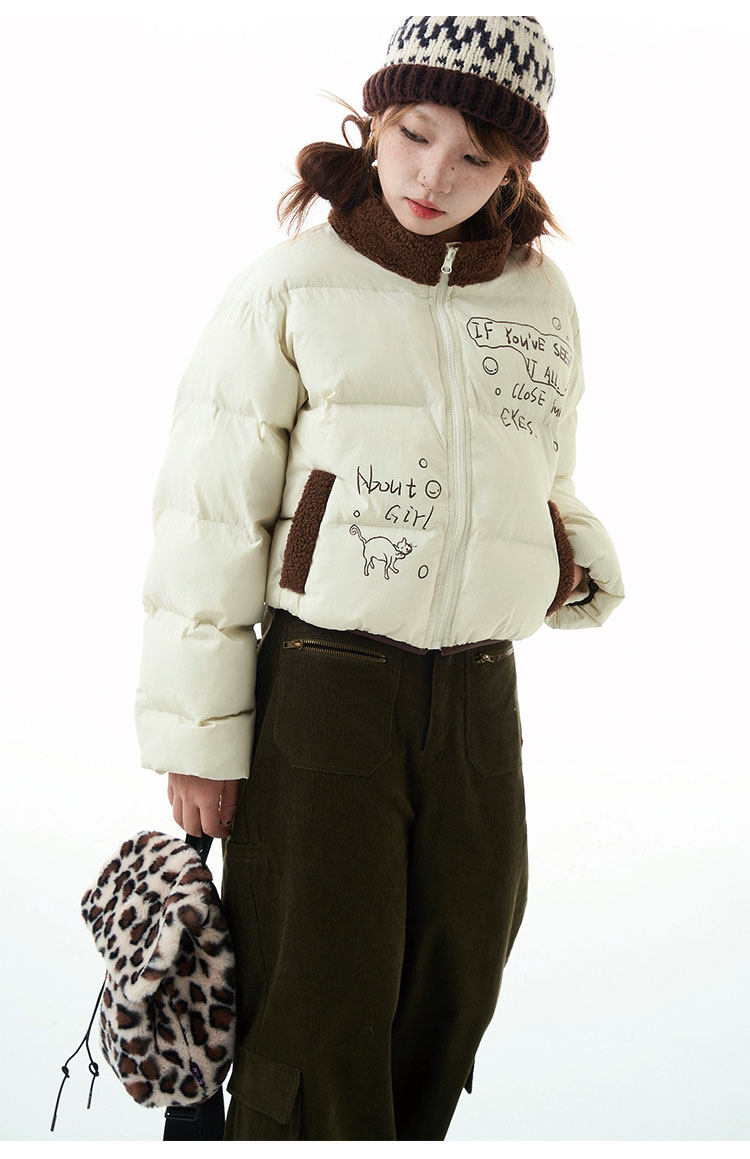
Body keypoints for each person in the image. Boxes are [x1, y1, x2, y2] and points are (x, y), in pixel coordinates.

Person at [134, 15, 624, 1141]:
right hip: (327, 688)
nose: (433, 175)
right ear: (375, 119)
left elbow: (544, 469)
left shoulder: (541, 298)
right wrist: (199, 739)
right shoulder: (293, 286)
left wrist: (565, 554)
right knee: (315, 1005)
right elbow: (208, 519)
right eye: (415, 133)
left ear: (514, 172)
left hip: (480, 694)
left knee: (454, 983)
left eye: (475, 156)